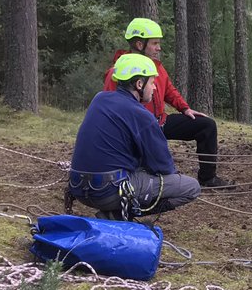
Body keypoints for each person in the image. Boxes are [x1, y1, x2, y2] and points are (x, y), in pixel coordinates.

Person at [103, 18, 235, 189]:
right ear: (139, 44)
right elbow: (109, 106)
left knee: (206, 125)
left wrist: (185, 108)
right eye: (155, 43)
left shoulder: (156, 66)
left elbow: (169, 90)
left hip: (159, 123)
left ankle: (208, 178)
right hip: (136, 131)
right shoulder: (119, 71)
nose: (159, 48)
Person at [69, 53, 201, 220]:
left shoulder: (99, 99)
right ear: (139, 84)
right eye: (152, 83)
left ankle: (115, 211)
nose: (154, 88)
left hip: (78, 187)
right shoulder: (142, 116)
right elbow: (164, 167)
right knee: (191, 187)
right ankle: (119, 214)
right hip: (107, 191)